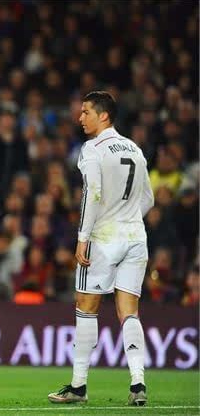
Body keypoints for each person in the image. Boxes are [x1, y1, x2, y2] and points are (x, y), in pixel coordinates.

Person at [48, 91, 154, 406]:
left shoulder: (92, 149)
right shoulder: (135, 149)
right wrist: (127, 218)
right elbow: (148, 198)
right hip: (136, 236)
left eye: (86, 112)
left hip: (103, 238)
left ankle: (79, 386)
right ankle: (138, 383)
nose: (80, 118)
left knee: (86, 307)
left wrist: (83, 237)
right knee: (129, 312)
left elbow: (91, 194)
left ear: (103, 115)